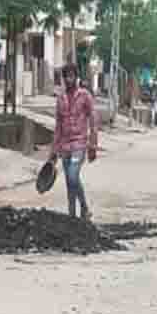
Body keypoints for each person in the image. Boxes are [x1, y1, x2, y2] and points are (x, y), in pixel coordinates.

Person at [50, 66, 99, 220]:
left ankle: (84, 207)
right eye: (66, 77)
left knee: (72, 176)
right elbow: (58, 125)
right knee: (69, 182)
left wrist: (93, 144)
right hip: (65, 146)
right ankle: (72, 215)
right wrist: (54, 150)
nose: (68, 80)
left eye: (71, 76)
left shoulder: (85, 96)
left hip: (79, 144)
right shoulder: (61, 98)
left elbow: (93, 120)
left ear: (76, 77)